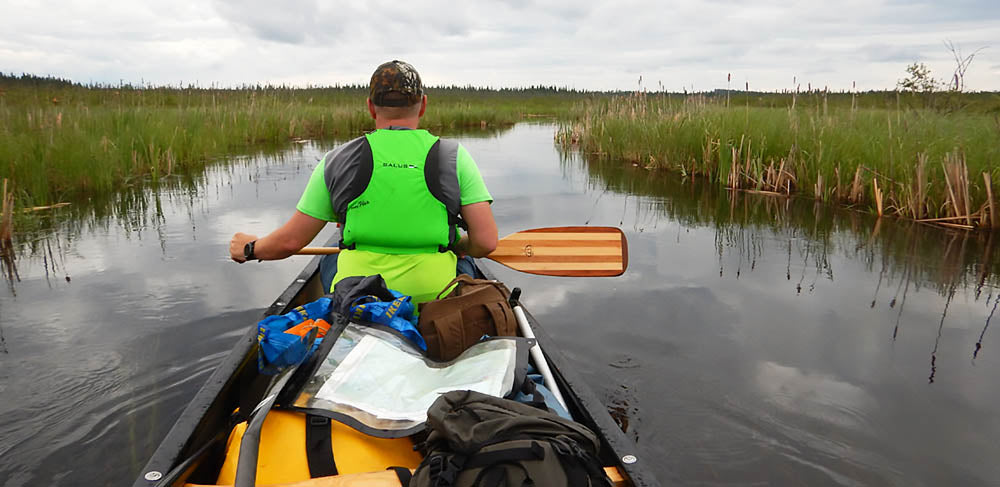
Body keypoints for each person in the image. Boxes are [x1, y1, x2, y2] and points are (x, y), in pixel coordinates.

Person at [229, 60, 497, 304]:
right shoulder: (455, 157)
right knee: (466, 261)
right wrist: (459, 245)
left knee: (331, 258)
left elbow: (289, 242)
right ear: (423, 105)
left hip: (360, 299)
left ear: (370, 107)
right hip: (434, 299)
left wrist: (251, 248)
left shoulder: (337, 159)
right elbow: (486, 242)